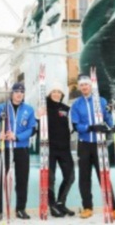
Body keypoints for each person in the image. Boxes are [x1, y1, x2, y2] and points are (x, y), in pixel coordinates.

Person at [70, 74, 115, 221]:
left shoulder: (101, 101)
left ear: (91, 86)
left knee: (104, 176)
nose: (84, 87)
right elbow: (76, 126)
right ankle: (87, 207)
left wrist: (113, 125)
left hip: (99, 144)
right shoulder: (76, 105)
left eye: (86, 85)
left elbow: (107, 118)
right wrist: (90, 127)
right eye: (81, 85)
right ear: (80, 87)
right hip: (84, 144)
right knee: (84, 177)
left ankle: (113, 208)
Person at [0, 82, 36, 222]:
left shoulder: (29, 109)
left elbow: (32, 129)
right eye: (16, 92)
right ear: (12, 93)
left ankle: (20, 209)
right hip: (6, 149)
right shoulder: (2, 108)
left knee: (22, 179)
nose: (19, 94)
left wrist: (17, 136)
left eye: (22, 92)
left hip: (22, 148)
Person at [36, 80, 75, 217]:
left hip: (64, 148)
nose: (56, 94)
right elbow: (36, 126)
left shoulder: (66, 109)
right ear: (49, 94)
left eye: (59, 92)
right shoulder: (43, 107)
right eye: (54, 91)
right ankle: (51, 205)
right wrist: (38, 116)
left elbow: (72, 126)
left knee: (70, 177)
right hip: (49, 149)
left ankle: (60, 203)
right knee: (50, 178)